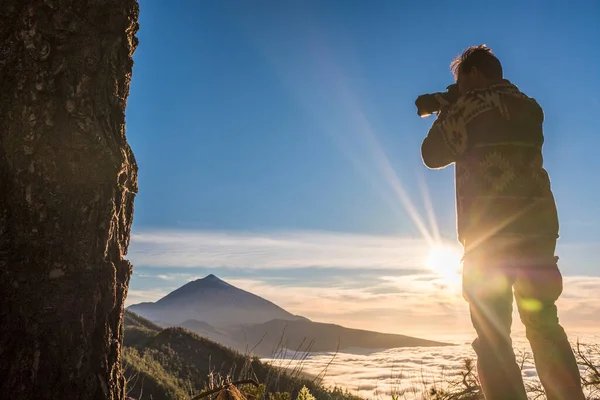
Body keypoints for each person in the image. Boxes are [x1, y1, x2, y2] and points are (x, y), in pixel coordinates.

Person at [420, 45, 585, 400]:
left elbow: (431, 154)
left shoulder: (467, 108)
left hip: (489, 238)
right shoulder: (530, 107)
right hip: (538, 232)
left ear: (474, 74)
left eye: (460, 79)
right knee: (544, 325)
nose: (459, 87)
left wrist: (446, 106)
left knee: (493, 335)